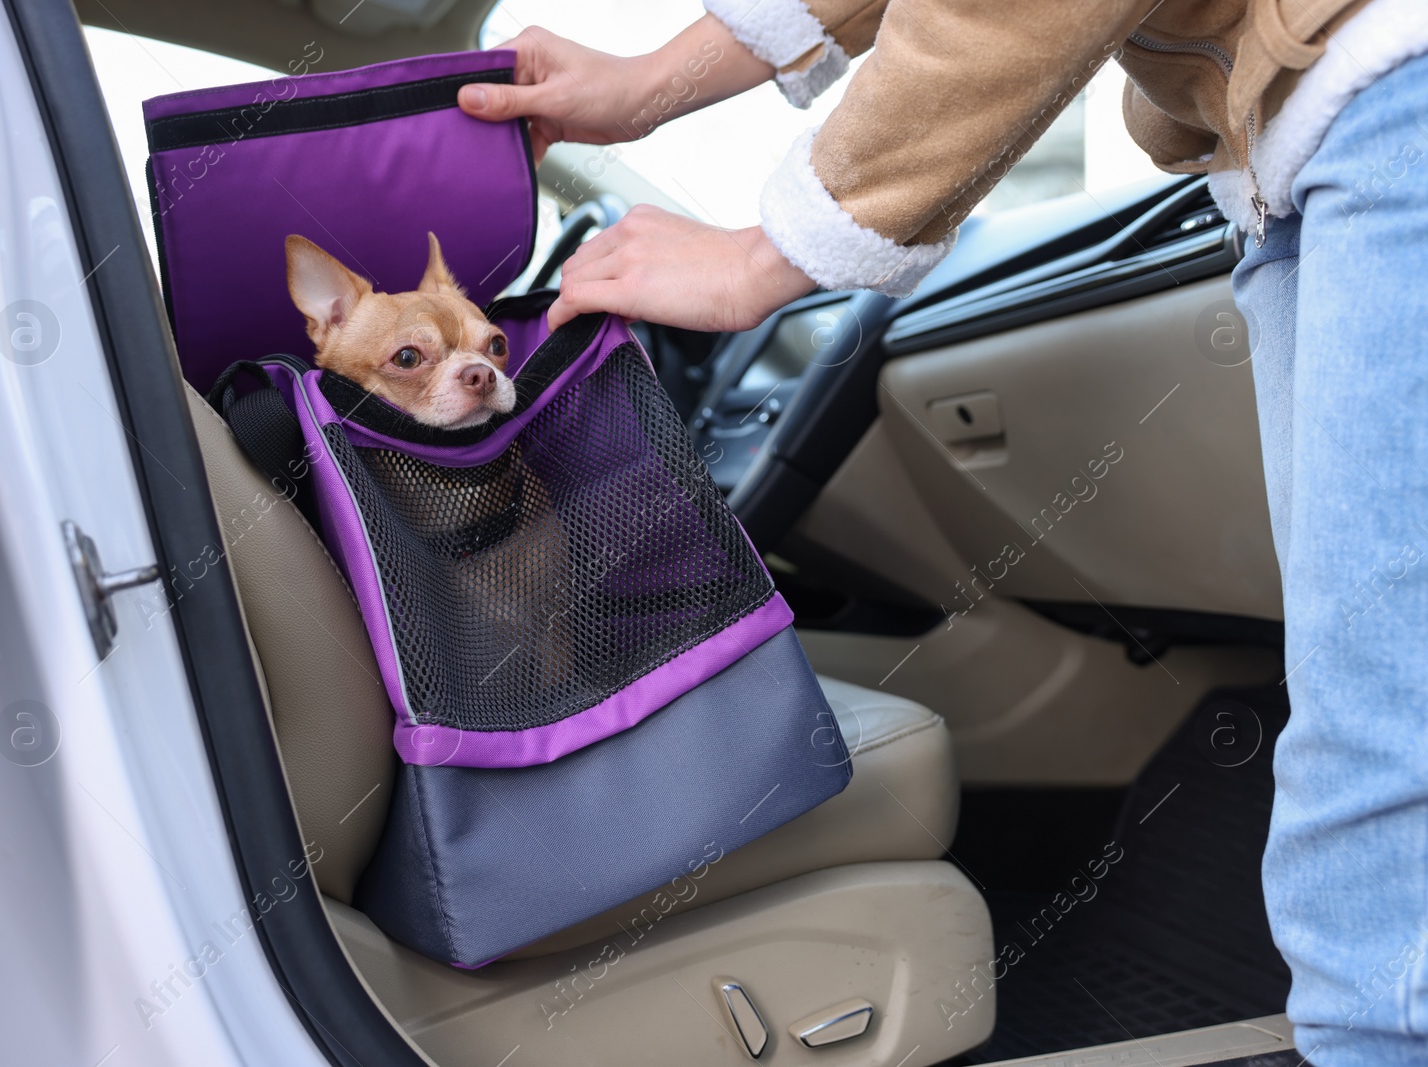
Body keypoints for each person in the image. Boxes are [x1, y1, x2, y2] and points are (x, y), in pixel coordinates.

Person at [456, 3, 1428, 1065]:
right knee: (1373, 711)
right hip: (1308, 147)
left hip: (1385, 104)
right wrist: (652, 83)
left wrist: (765, 257)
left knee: (1377, 732)